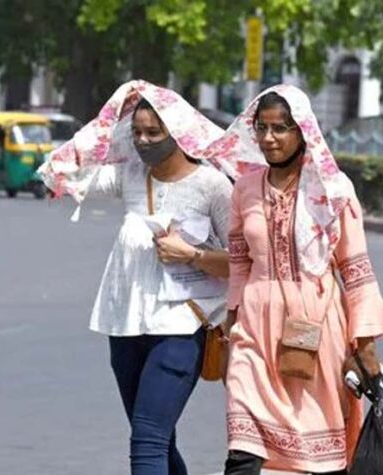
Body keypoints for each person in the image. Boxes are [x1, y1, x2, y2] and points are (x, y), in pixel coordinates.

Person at [38, 80, 233, 475]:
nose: (143, 141)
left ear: (178, 132)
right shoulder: (130, 175)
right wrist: (109, 118)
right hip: (126, 326)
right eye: (137, 132)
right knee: (158, 438)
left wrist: (192, 254)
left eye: (154, 132)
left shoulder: (211, 186)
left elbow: (242, 261)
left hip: (181, 329)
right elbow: (66, 171)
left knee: (147, 441)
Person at [213, 86, 383, 474]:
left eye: (280, 128)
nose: (268, 138)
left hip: (317, 331)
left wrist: (366, 349)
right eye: (262, 128)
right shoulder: (244, 189)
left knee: (319, 457)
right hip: (254, 331)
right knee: (242, 449)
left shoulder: (332, 190)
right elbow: (239, 266)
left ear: (302, 130)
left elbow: (355, 271)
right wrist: (229, 333)